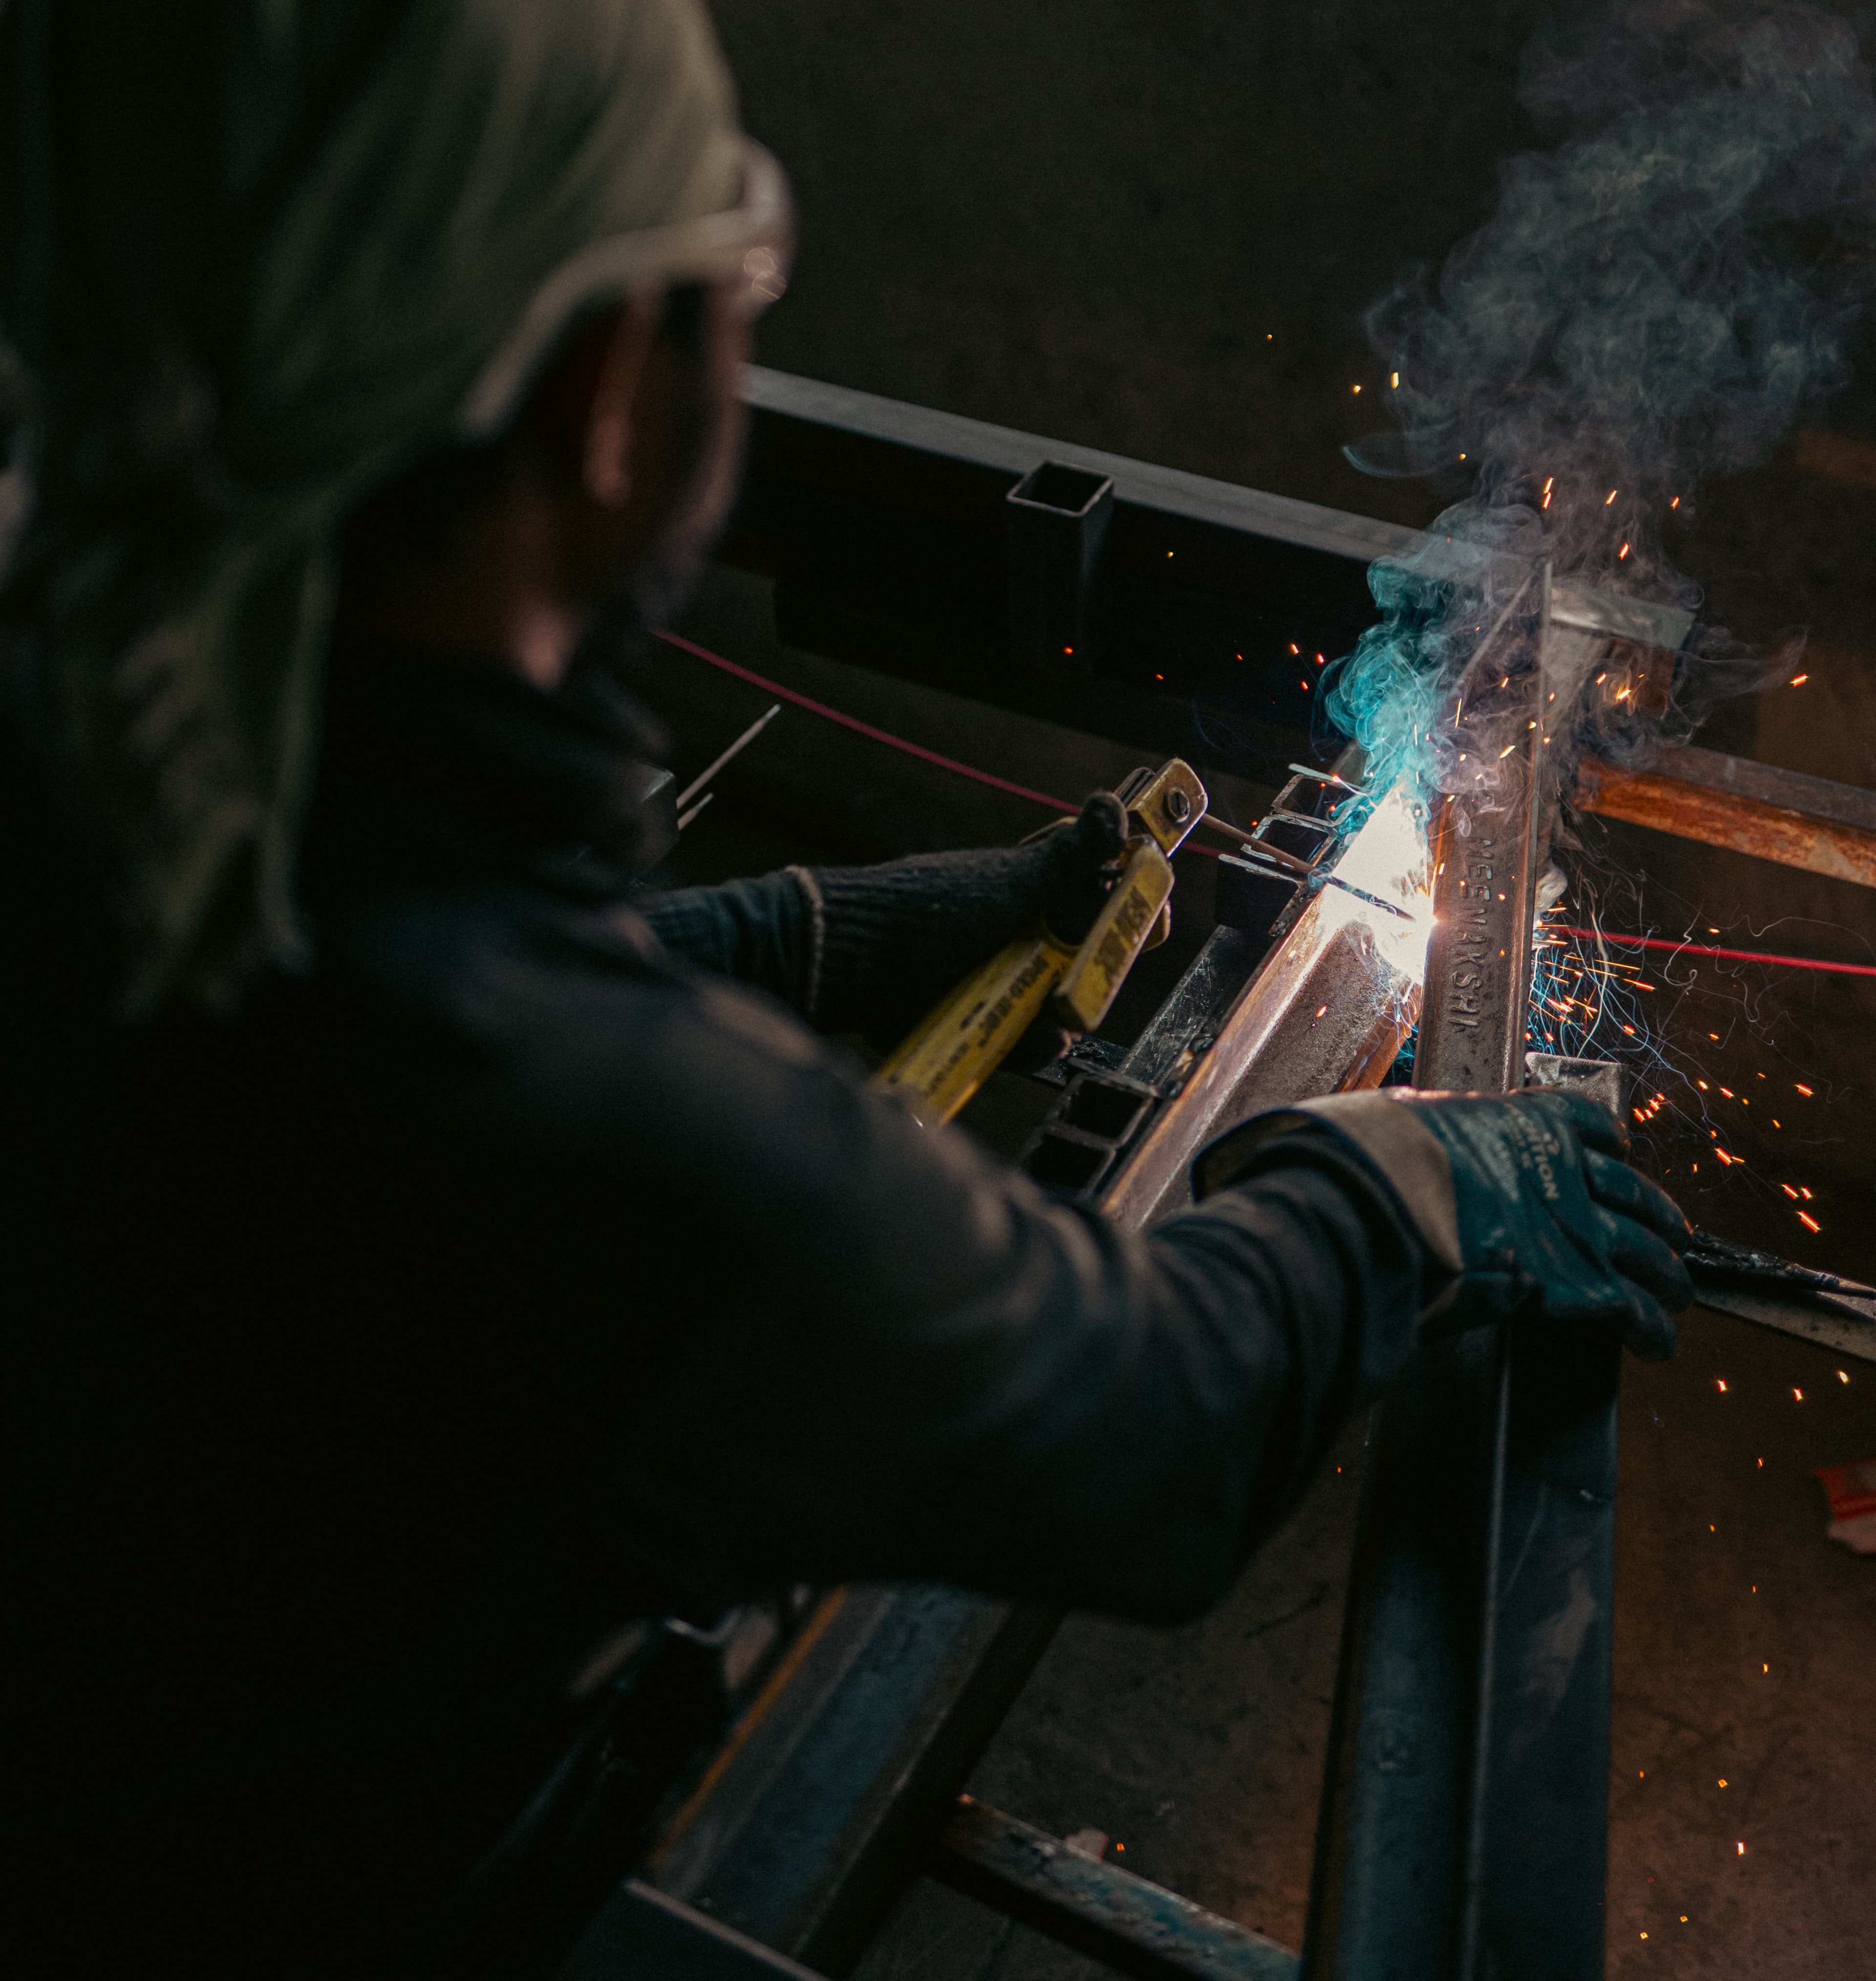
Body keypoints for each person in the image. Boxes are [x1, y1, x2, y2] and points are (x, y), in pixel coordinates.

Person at [0, 3, 1693, 1974]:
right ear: (599, 398)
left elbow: (433, 961)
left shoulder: (129, 763)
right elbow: (1146, 1423)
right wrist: (1397, 1194)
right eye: (734, 276)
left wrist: (898, 916)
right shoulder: (567, 1150)